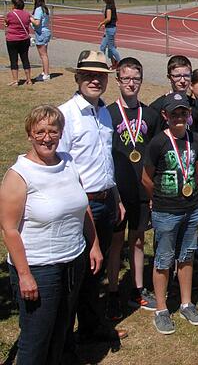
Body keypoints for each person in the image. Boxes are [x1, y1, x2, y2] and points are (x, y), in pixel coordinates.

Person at [0, 105, 102, 365]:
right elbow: (9, 229)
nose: (47, 137)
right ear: (30, 135)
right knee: (36, 338)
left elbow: (83, 206)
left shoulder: (68, 162)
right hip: (39, 268)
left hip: (72, 260)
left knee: (62, 329)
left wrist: (94, 245)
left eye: (53, 131)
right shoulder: (19, 175)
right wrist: (24, 275)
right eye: (40, 132)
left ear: (60, 133)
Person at [58, 50, 127, 344]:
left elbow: (105, 161)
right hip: (80, 205)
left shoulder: (103, 113)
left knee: (94, 273)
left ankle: (90, 327)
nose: (95, 80)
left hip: (106, 200)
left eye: (100, 75)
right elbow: (61, 167)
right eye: (88, 75)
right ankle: (64, 339)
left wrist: (117, 197)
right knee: (75, 275)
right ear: (77, 78)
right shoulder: (65, 115)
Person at [142, 92, 198, 334]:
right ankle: (161, 308)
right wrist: (157, 200)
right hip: (165, 211)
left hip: (190, 210)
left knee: (187, 256)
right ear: (165, 115)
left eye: (183, 112)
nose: (179, 117)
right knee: (163, 259)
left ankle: (186, 303)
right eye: (174, 113)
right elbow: (147, 178)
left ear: (189, 115)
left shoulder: (196, 140)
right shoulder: (158, 143)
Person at [105, 58, 160, 321]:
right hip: (116, 191)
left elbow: (153, 155)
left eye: (135, 78)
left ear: (141, 80)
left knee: (138, 240)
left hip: (141, 190)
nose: (131, 83)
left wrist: (152, 192)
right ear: (117, 81)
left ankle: (138, 288)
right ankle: (113, 292)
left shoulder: (149, 115)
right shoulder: (108, 114)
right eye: (125, 78)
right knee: (116, 243)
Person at [149, 55, 198, 138]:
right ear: (169, 77)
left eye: (186, 76)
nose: (182, 81)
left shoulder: (196, 105)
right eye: (177, 76)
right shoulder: (157, 107)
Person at [4, 0, 33, 86]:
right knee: (25, 59)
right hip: (24, 39)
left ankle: (15, 80)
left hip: (12, 39)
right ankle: (29, 80)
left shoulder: (10, 14)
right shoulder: (27, 14)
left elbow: (6, 23)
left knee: (13, 59)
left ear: (14, 5)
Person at [97, 0, 120, 69]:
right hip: (109, 29)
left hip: (110, 29)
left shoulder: (109, 7)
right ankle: (102, 63)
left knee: (111, 48)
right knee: (102, 47)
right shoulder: (111, 6)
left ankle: (120, 64)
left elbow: (108, 18)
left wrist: (101, 23)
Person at [30, 0, 51, 81]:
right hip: (46, 31)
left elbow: (37, 23)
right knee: (44, 54)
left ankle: (46, 74)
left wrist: (30, 19)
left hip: (41, 32)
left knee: (43, 55)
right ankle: (44, 71)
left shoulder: (38, 10)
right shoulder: (45, 9)